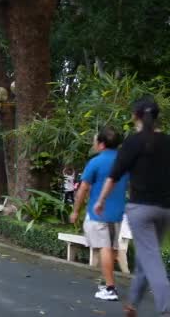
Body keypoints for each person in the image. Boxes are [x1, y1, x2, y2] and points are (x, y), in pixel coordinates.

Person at [94, 98, 170, 316]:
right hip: (165, 209)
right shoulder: (167, 141)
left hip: (141, 209)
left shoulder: (133, 142)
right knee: (146, 257)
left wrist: (101, 200)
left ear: (135, 116)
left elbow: (114, 176)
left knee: (151, 258)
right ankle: (133, 304)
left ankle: (167, 308)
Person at [69, 127, 128, 301]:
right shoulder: (124, 162)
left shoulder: (95, 162)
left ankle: (110, 288)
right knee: (111, 248)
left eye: (95, 140)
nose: (94, 143)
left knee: (104, 248)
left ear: (101, 144)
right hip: (118, 213)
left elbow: (83, 189)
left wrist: (75, 211)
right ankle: (108, 282)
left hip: (98, 212)